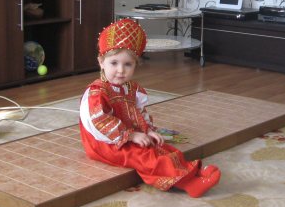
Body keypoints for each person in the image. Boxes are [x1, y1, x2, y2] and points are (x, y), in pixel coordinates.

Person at [79, 18, 221, 197]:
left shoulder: (132, 89)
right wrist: (131, 136)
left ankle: (193, 172)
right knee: (143, 155)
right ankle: (189, 184)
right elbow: (99, 121)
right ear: (101, 62)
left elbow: (140, 113)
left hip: (129, 134)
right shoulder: (96, 93)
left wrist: (148, 130)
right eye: (114, 63)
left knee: (160, 146)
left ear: (135, 65)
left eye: (128, 64)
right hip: (106, 143)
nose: (121, 70)